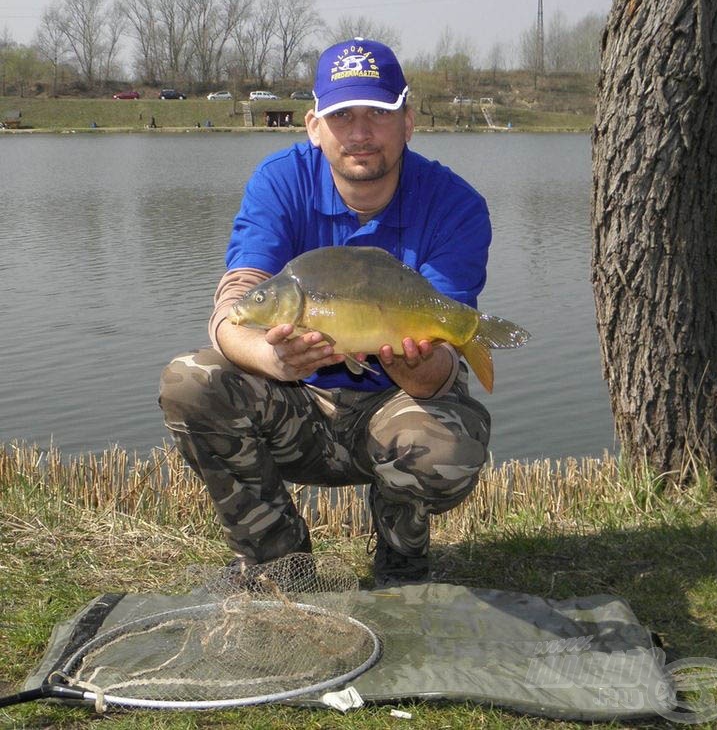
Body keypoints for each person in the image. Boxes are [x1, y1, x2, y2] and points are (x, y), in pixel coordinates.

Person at [159, 38, 493, 587]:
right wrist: (272, 358)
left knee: (446, 445)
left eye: (378, 114)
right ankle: (280, 562)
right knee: (189, 382)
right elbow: (232, 309)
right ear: (314, 125)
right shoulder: (279, 182)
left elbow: (438, 370)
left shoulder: (455, 205)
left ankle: (400, 557)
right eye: (342, 115)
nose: (359, 132)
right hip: (296, 404)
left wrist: (419, 366)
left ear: (407, 122)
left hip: (395, 401)